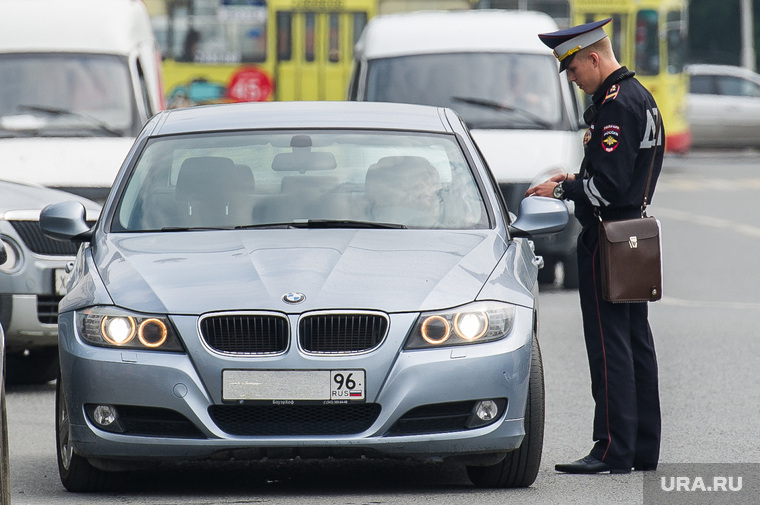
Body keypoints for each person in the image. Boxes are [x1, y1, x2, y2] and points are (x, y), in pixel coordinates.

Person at [525, 18, 664, 474]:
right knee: (634, 341)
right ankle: (641, 448)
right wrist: (576, 180)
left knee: (609, 346)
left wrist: (565, 191)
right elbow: (622, 177)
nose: (571, 78)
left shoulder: (616, 105)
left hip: (608, 238)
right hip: (633, 235)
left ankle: (611, 450)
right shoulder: (640, 98)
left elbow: (603, 189)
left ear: (593, 57)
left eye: (572, 68)